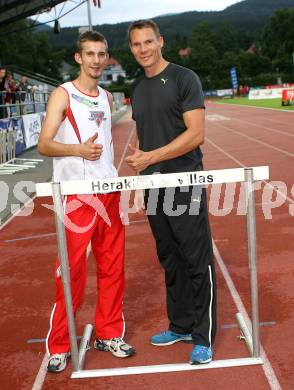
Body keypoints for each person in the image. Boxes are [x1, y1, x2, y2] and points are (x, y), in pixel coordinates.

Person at [38, 30, 135, 373]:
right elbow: (44, 144)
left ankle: (108, 333)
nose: (97, 60)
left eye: (102, 54)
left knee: (113, 269)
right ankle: (60, 344)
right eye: (90, 54)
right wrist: (77, 150)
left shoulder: (108, 98)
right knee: (71, 273)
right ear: (78, 58)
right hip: (76, 195)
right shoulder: (62, 95)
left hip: (109, 192)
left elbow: (106, 148)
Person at [126, 20, 217, 365]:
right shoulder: (136, 87)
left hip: (183, 182)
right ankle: (180, 324)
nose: (143, 48)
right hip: (153, 186)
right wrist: (142, 157)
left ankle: (203, 335)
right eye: (137, 44)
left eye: (149, 41)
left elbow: (195, 135)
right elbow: (148, 133)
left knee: (196, 258)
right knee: (170, 257)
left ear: (160, 41)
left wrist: (152, 156)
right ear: (132, 48)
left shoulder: (183, 78)